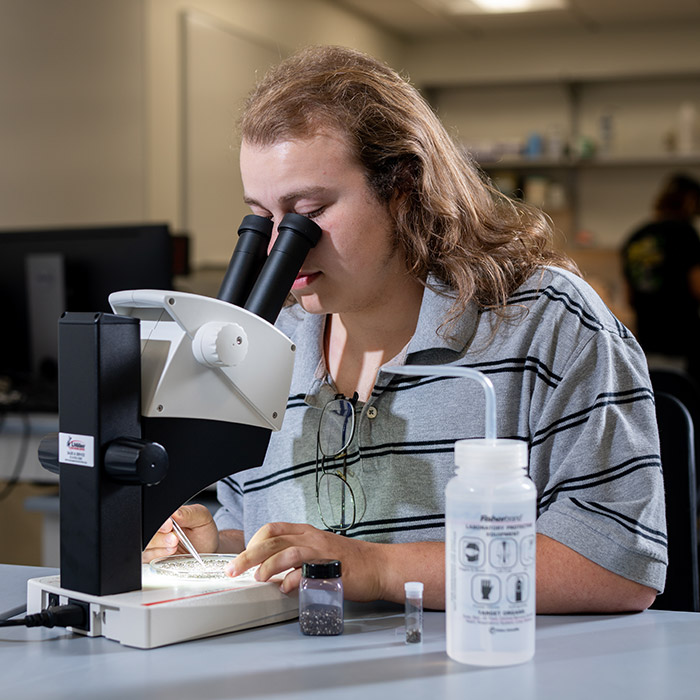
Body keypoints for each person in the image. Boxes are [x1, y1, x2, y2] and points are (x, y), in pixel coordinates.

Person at [144, 45, 666, 613]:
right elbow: (275, 533)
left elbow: (616, 562)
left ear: (404, 191)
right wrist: (218, 544)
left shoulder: (548, 322)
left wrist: (378, 567)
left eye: (308, 212)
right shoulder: (267, 338)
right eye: (263, 218)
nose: (279, 247)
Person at [622, 173, 700, 382]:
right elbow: (697, 287)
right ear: (690, 201)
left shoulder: (635, 236)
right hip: (681, 342)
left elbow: (629, 297)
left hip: (645, 342)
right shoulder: (685, 233)